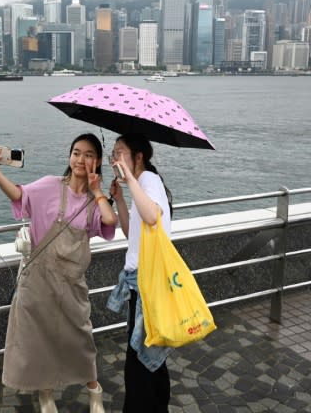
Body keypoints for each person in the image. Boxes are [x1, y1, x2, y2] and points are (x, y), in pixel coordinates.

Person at [0, 133, 117, 413]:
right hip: (38, 278)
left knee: (81, 337)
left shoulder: (96, 201)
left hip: (71, 282)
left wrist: (98, 191)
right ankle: (45, 395)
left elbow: (109, 221)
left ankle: (95, 391)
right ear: (69, 156)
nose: (81, 159)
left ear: (98, 161)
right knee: (39, 338)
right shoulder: (49, 185)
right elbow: (19, 195)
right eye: (76, 152)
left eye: (89, 154)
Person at [106, 133, 173, 412]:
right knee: (149, 358)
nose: (114, 158)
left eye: (120, 152)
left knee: (138, 363)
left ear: (138, 157)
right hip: (141, 284)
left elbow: (152, 216)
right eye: (113, 153)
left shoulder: (149, 181)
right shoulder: (141, 185)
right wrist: (120, 198)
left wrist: (130, 181)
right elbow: (130, 231)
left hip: (148, 284)